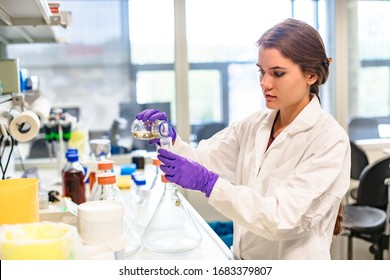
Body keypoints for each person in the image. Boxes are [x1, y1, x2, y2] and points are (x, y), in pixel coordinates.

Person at [135, 18, 351, 260]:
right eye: (261, 71)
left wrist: (209, 184)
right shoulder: (254, 126)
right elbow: (200, 162)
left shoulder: (329, 140)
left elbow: (281, 218)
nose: (264, 83)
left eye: (277, 73)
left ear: (311, 75)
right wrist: (170, 140)